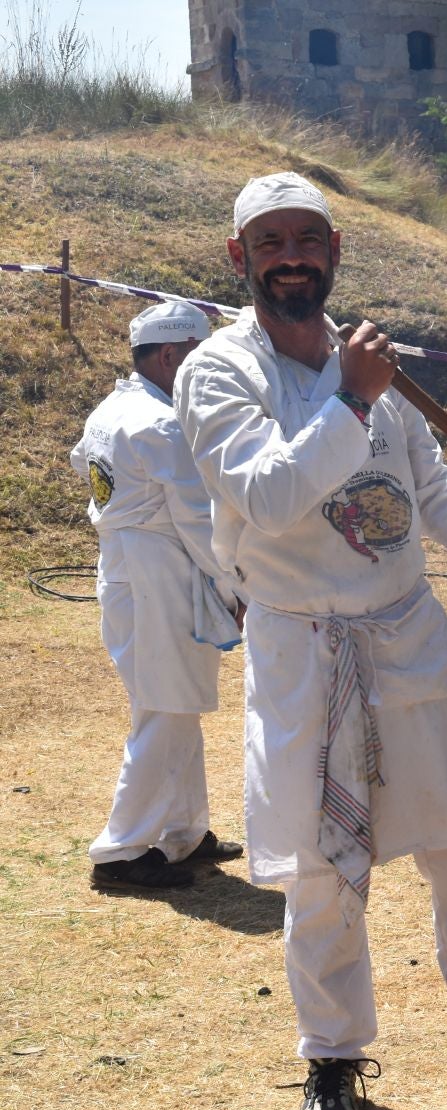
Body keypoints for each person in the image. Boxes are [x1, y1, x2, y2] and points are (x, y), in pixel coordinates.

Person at [177, 171, 447, 1110]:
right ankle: (330, 1057)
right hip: (304, 647)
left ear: (335, 252)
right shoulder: (218, 373)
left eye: (309, 239)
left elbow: (434, 496)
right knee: (320, 876)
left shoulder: (370, 368)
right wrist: (353, 398)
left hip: (406, 630)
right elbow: (272, 493)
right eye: (271, 241)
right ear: (240, 258)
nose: (292, 256)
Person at [71, 301, 244, 891]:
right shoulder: (162, 421)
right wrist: (236, 585)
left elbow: (84, 466)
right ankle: (120, 850)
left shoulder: (114, 407)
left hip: (130, 568)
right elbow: (199, 520)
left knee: (176, 706)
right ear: (171, 355)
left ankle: (184, 832)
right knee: (163, 712)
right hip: (159, 576)